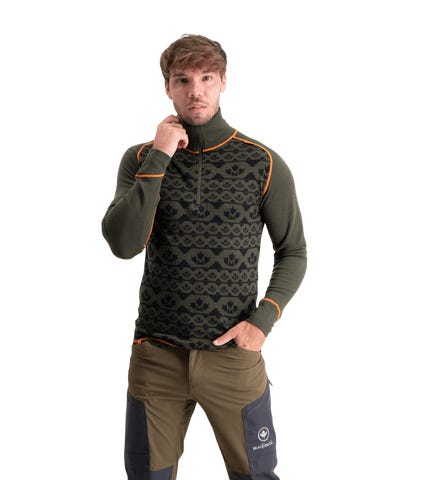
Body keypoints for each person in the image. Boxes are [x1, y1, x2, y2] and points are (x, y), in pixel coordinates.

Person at [101, 34, 307, 480]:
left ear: (223, 82)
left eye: (207, 78)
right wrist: (160, 156)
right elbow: (123, 244)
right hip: (156, 356)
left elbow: (293, 251)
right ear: (168, 87)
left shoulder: (262, 163)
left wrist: (262, 321)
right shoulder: (140, 158)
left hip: (232, 355)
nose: (195, 91)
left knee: (256, 475)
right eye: (183, 80)